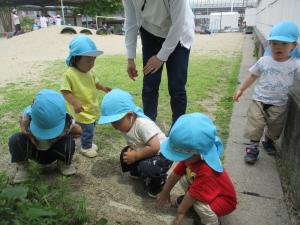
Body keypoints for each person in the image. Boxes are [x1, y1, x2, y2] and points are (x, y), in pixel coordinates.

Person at [233, 21, 300, 164]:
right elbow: (252, 76)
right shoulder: (264, 61)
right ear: (269, 44)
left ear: (294, 45)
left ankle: (268, 140)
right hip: (259, 100)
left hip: (279, 104)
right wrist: (241, 89)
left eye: (284, 43)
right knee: (255, 124)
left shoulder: (295, 64)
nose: (278, 47)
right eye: (274, 43)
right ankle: (252, 147)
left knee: (275, 127)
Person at [156, 113, 237, 225]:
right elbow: (176, 174)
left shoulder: (206, 170)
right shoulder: (192, 158)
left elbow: (193, 194)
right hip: (208, 190)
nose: (181, 160)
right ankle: (193, 204)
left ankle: (212, 222)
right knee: (184, 179)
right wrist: (165, 191)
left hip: (223, 201)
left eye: (182, 156)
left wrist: (181, 213)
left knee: (201, 207)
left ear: (197, 154)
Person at [122, 0, 195, 124]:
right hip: (149, 32)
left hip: (179, 34)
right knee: (150, 83)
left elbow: (178, 25)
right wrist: (130, 58)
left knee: (176, 86)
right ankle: (149, 125)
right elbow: (131, 21)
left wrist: (161, 57)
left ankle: (178, 128)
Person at [99, 89, 173, 198]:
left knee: (148, 166)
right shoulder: (126, 124)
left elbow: (155, 147)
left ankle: (158, 184)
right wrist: (132, 151)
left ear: (130, 115)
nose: (114, 126)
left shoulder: (143, 125)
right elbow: (135, 142)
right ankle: (138, 172)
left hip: (162, 155)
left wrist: (136, 155)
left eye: (116, 122)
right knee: (125, 153)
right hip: (146, 149)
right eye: (112, 122)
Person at [8, 89, 81, 184]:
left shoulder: (67, 123)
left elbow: (79, 131)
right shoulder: (28, 117)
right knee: (15, 139)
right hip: (34, 150)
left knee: (69, 141)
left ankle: (63, 163)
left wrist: (60, 137)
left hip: (53, 151)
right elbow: (21, 118)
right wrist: (27, 134)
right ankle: (23, 167)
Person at [61, 35, 111, 158]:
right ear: (76, 59)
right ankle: (85, 147)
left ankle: (86, 142)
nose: (92, 63)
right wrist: (74, 102)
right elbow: (65, 91)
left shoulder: (90, 72)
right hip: (81, 110)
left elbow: (96, 83)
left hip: (91, 107)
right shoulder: (70, 74)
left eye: (93, 60)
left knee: (91, 126)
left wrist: (103, 88)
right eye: (88, 60)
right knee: (87, 129)